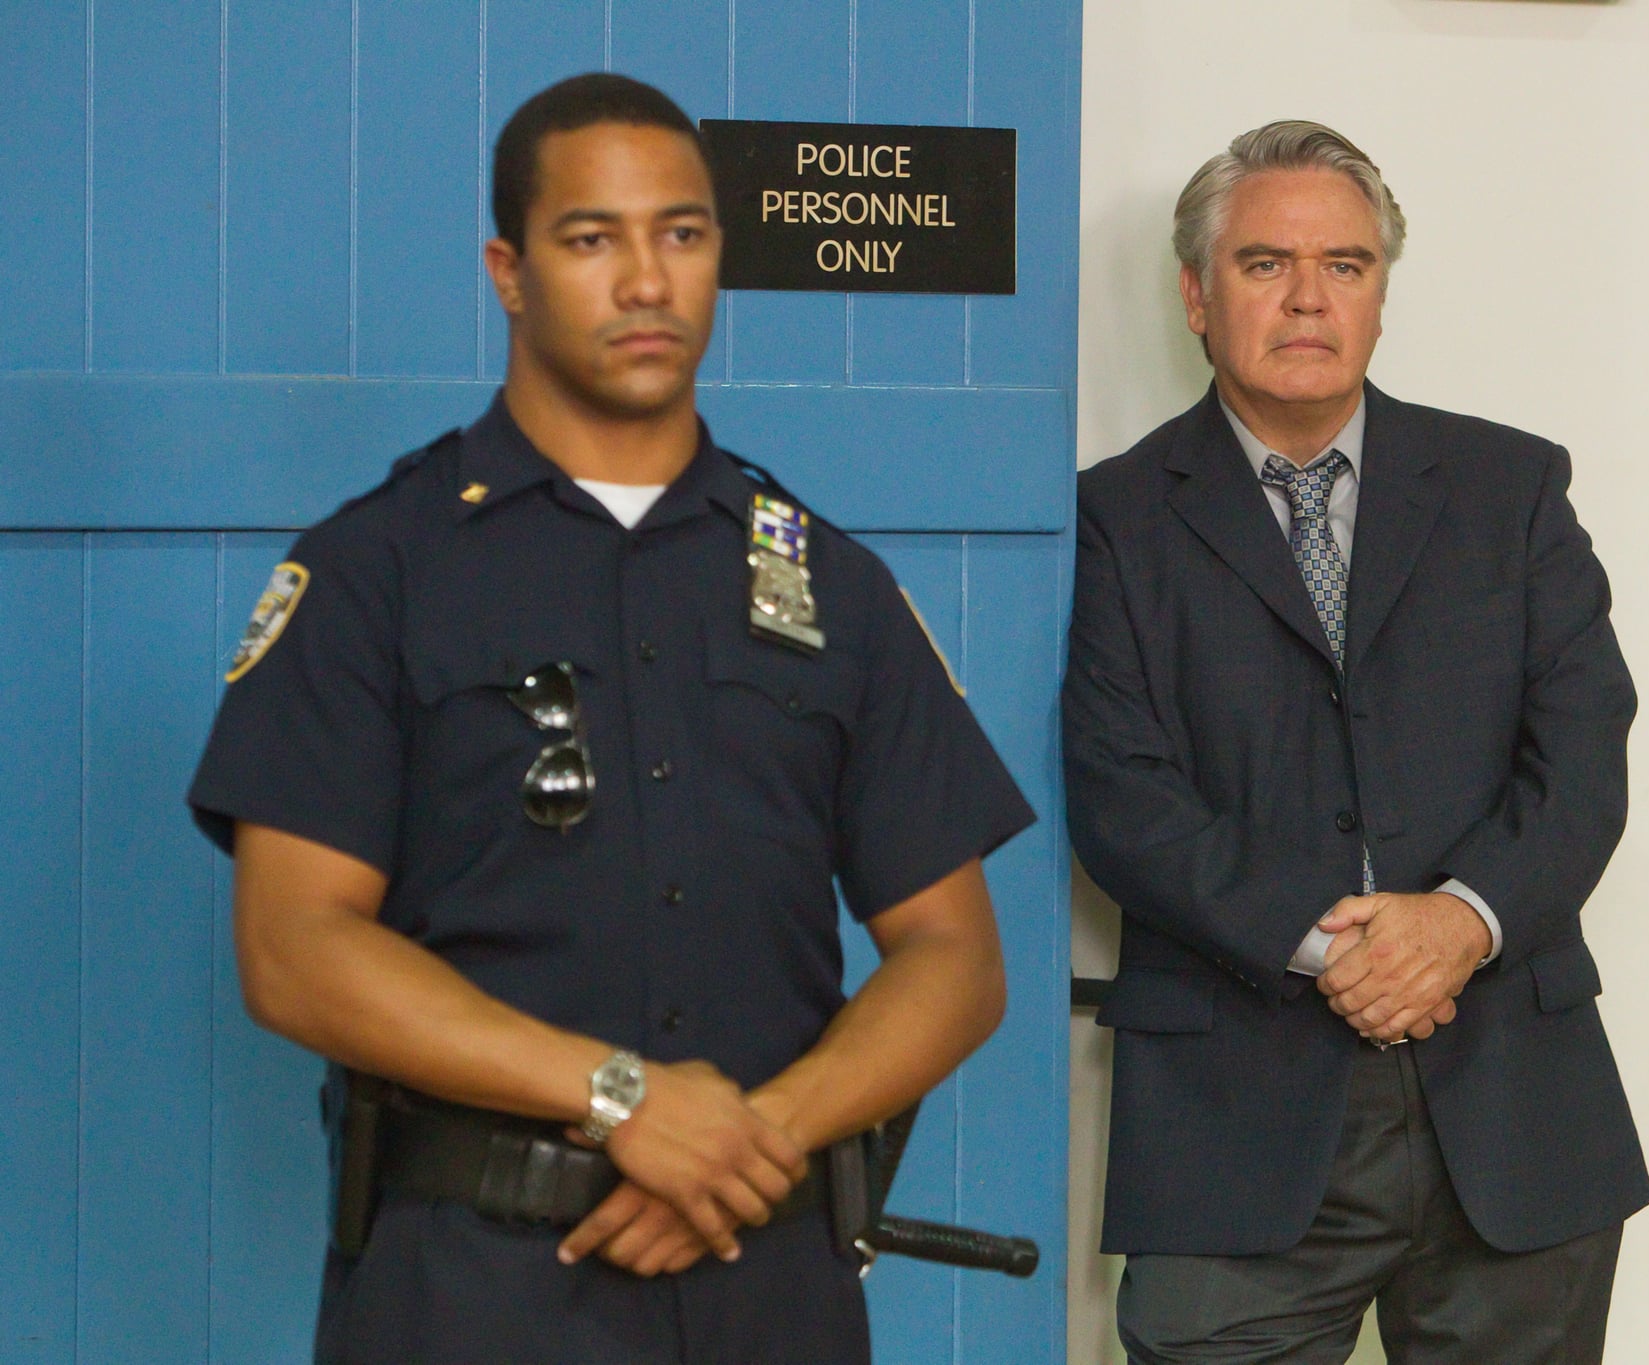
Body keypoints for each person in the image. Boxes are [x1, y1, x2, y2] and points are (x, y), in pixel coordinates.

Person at [188, 72, 1033, 1365]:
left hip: (772, 1291)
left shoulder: (829, 584)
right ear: (508, 270)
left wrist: (758, 1132)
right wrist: (621, 1096)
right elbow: (293, 945)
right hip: (474, 1291)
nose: (648, 280)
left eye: (682, 234)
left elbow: (955, 958)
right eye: (593, 238)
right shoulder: (379, 570)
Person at [1062, 120, 1649, 1363]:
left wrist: (1456, 923)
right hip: (1234, 1116)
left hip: (1508, 1101)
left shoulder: (1511, 486)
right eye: (1264, 263)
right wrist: (1336, 946)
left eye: (1344, 265)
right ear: (1193, 293)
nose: (1306, 299)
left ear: (1380, 292)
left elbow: (1584, 745)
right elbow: (1121, 793)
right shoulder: (1111, 516)